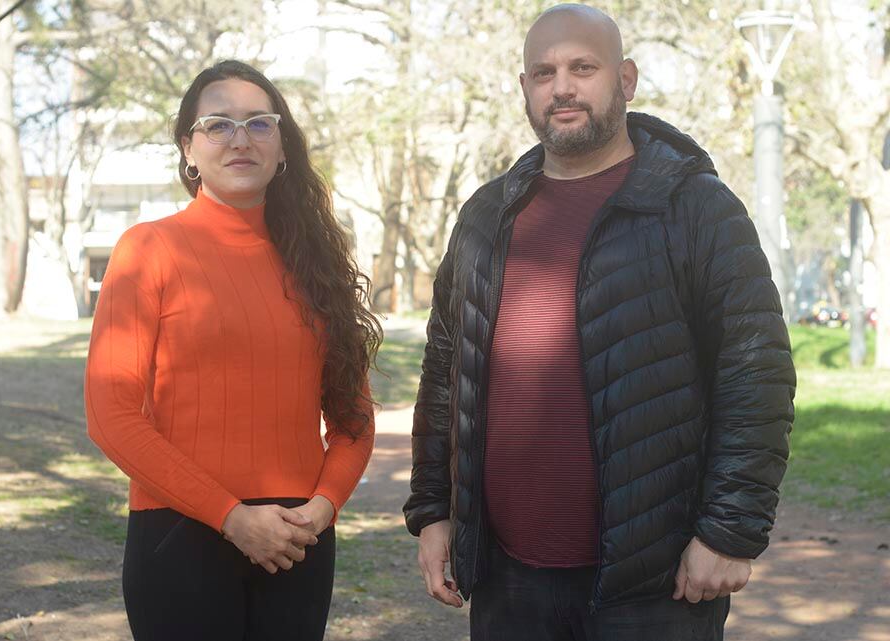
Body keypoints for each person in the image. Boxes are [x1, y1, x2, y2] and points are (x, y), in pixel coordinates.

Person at [403, 4, 796, 640]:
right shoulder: (485, 216)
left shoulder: (696, 207)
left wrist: (729, 532)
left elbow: (756, 373)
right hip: (510, 580)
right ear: (525, 88)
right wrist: (432, 513)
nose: (562, 86)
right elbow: (445, 373)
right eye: (544, 72)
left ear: (627, 79)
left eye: (583, 67)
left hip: (654, 581)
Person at [85, 59, 381, 641]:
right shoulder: (148, 249)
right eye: (217, 124)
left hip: (298, 540)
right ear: (188, 150)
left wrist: (322, 509)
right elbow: (111, 416)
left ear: (283, 148)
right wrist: (230, 517)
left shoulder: (315, 264)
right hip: (180, 534)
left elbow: (353, 418)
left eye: (259, 124)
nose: (239, 138)